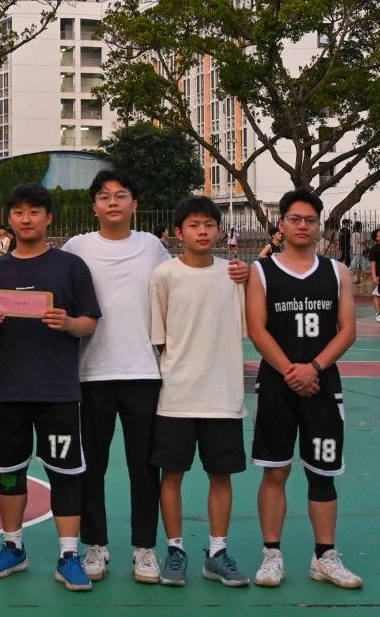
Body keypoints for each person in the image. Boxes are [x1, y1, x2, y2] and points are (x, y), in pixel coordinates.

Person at [0, 182, 101, 592]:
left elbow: (89, 322)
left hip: (57, 390)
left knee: (65, 472)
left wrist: (67, 323)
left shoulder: (71, 267)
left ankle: (68, 555)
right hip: (8, 389)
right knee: (10, 472)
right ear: (8, 219)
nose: (26, 219)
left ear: (49, 218)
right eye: (18, 212)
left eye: (34, 211)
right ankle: (13, 546)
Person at [247, 188, 362, 590]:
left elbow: (347, 331)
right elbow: (256, 330)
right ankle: (271, 555)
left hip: (323, 384)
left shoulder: (337, 272)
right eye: (294, 219)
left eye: (309, 220)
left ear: (319, 226)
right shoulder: (261, 271)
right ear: (281, 224)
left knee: (322, 473)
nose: (302, 225)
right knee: (275, 470)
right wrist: (290, 371)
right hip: (277, 385)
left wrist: (313, 367)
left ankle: (324, 557)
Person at [60, 170, 170, 584]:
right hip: (91, 373)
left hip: (143, 372)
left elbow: (179, 286)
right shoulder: (77, 247)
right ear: (94, 206)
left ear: (134, 204)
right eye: (104, 196)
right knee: (92, 467)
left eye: (121, 195)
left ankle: (144, 548)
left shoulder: (153, 247)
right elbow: (47, 280)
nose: (112, 202)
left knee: (145, 468)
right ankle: (96, 545)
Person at [148, 195, 249, 588]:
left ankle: (217, 552)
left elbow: (247, 326)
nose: (202, 231)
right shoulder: (164, 276)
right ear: (178, 232)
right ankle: (175, 551)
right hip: (176, 396)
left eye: (209, 224)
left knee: (220, 475)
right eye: (193, 224)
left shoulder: (234, 276)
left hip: (223, 396)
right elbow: (159, 338)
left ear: (219, 230)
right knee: (171, 474)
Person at [348, 221, 368, 286]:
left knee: (363, 262)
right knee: (355, 261)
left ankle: (363, 274)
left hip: (355, 249)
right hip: (359, 250)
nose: (361, 229)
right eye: (361, 228)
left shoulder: (353, 234)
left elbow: (351, 244)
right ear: (359, 228)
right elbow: (362, 242)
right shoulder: (359, 234)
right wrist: (367, 241)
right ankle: (349, 270)